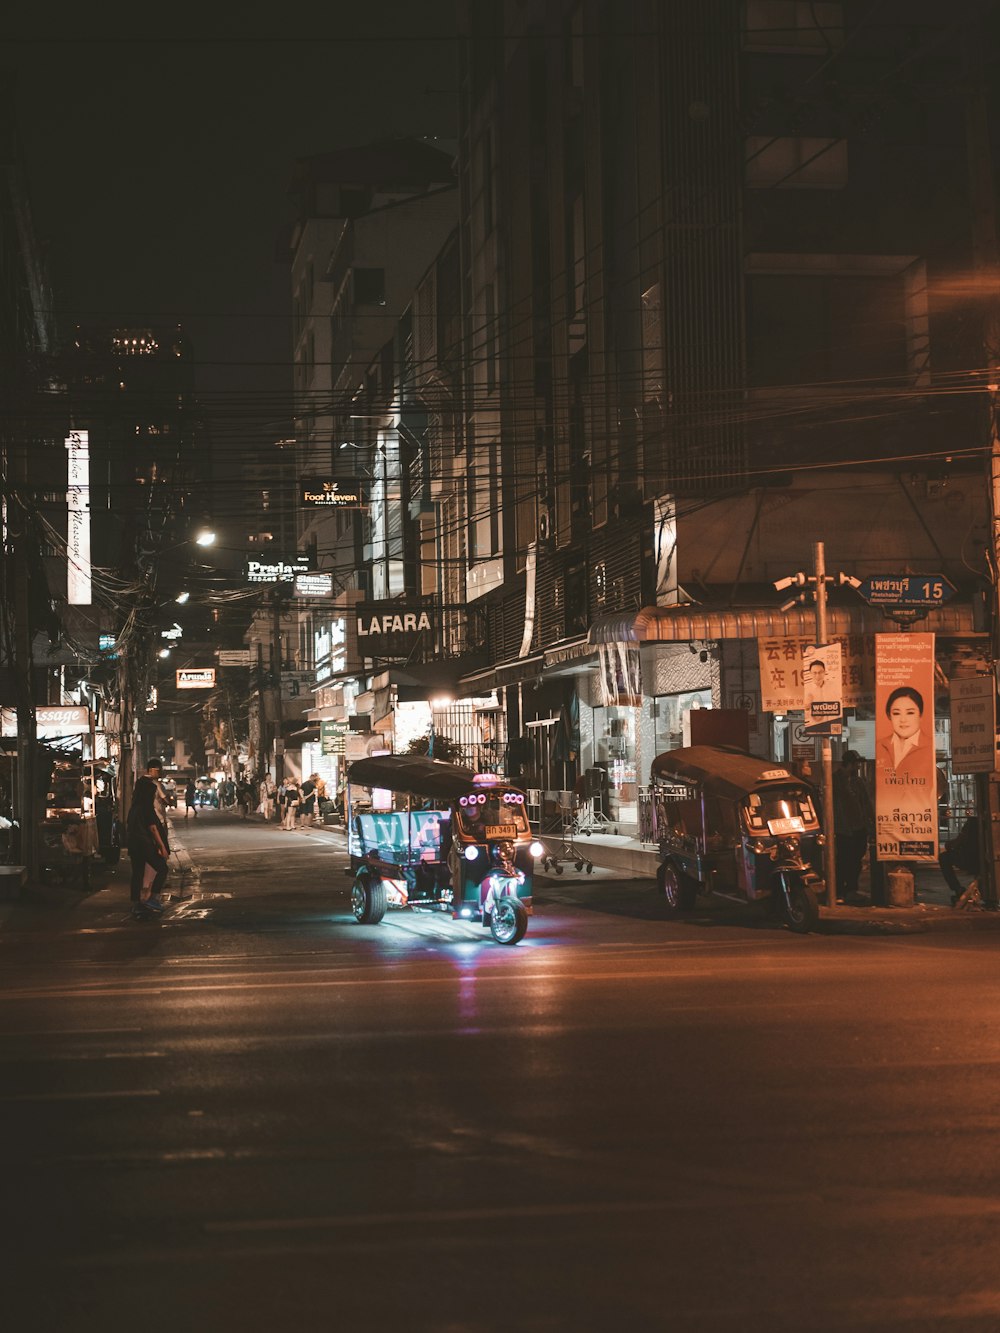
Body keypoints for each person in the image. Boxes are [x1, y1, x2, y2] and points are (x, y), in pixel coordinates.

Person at [832, 750, 874, 902]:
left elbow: (866, 803)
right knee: (843, 860)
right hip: (843, 829)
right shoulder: (836, 780)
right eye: (856, 764)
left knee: (856, 860)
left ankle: (851, 889)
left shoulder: (857, 782)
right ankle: (840, 891)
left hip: (858, 828)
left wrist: (870, 822)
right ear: (850, 764)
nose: (858, 767)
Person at [126, 774, 169, 919]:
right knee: (163, 868)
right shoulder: (147, 807)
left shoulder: (134, 808)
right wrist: (162, 846)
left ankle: (136, 903)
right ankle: (153, 898)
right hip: (144, 844)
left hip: (133, 845)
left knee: (137, 873)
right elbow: (153, 828)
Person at [877, 685, 933, 778]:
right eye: (896, 713)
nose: (903, 720)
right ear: (889, 716)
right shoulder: (880, 746)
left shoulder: (929, 746)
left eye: (910, 713)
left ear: (921, 714)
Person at [939, 816, 980, 906]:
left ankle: (957, 888)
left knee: (943, 857)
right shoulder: (989, 824)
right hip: (981, 859)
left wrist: (949, 845)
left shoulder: (972, 822)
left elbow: (958, 841)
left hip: (969, 858)